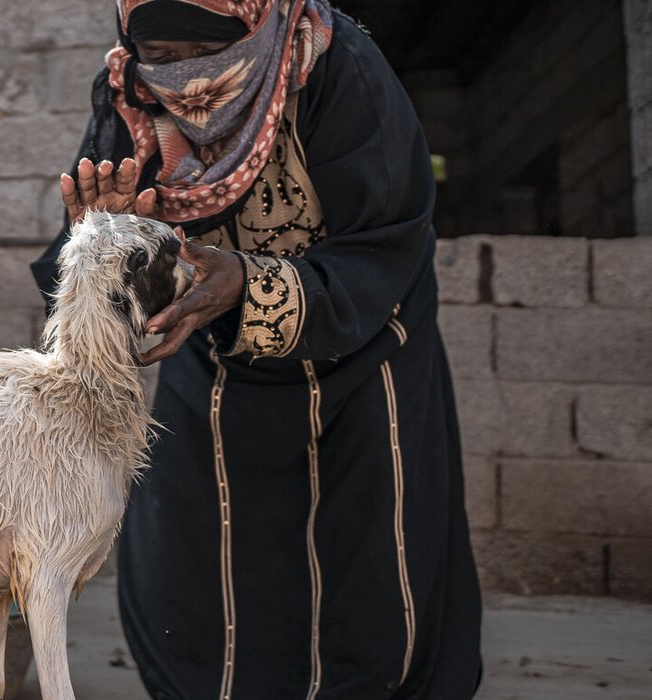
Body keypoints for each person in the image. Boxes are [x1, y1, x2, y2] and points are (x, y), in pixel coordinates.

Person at [29, 1, 483, 698]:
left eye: (204, 51)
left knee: (371, 571)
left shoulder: (335, 68)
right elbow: (116, 275)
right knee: (193, 572)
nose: (187, 81)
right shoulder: (130, 95)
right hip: (213, 356)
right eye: (164, 54)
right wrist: (105, 244)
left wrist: (246, 281)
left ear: (256, 27)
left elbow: (385, 241)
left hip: (362, 350)